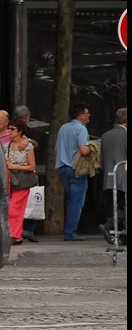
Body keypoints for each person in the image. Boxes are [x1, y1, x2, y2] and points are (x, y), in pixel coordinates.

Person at [54, 102, 93, 241]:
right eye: (87, 112)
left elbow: (57, 151)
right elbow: (83, 150)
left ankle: (69, 230)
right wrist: (93, 147)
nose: (89, 115)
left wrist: (57, 171)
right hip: (76, 170)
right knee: (76, 203)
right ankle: (70, 232)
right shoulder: (81, 129)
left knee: (70, 200)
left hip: (63, 169)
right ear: (81, 115)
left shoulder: (63, 128)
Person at [3, 117, 36, 244]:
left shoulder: (28, 147)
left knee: (14, 207)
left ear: (20, 131)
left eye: (12, 129)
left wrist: (15, 166)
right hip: (10, 181)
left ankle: (14, 234)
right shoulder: (7, 146)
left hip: (22, 181)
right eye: (9, 129)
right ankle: (16, 235)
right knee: (13, 208)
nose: (10, 131)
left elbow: (32, 166)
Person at [14, 104, 43, 241]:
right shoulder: (28, 130)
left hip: (15, 172)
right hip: (24, 172)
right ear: (26, 117)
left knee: (20, 203)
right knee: (30, 201)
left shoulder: (12, 129)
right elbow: (36, 144)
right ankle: (26, 230)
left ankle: (19, 230)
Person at [100, 107, 127, 245]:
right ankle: (110, 225)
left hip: (110, 177)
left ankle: (118, 233)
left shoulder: (105, 136)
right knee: (124, 206)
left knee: (115, 206)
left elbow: (102, 159)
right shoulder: (124, 135)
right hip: (124, 177)